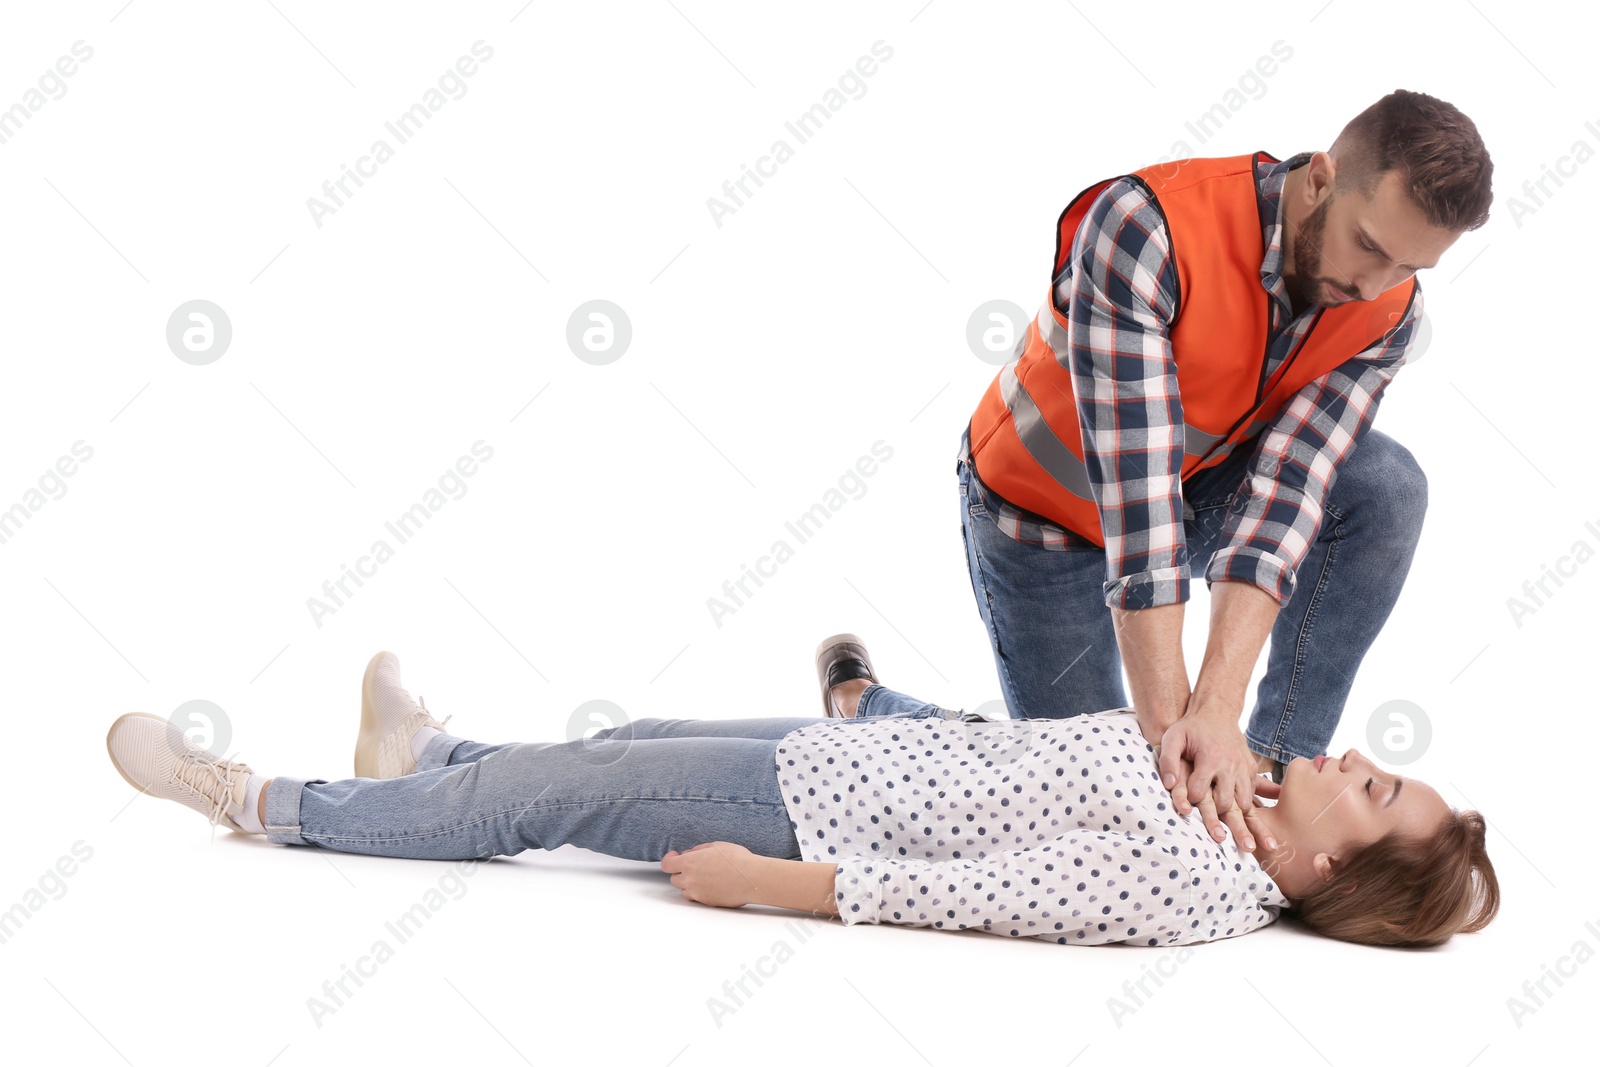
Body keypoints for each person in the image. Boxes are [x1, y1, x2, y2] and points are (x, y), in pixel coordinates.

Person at [105, 646, 1498, 948]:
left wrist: (775, 883)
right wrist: (875, 709)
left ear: (1328, 871)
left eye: (1375, 793)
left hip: (815, 821)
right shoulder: (1226, 775)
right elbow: (1027, 747)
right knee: (621, 735)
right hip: (844, 756)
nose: (1356, 761)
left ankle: (258, 797)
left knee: (543, 804)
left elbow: (986, 896)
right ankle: (424, 759)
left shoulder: (1198, 881)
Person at [954, 89, 1495, 855]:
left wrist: (1218, 716)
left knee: (1386, 487)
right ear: (1319, 180)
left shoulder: (1387, 310)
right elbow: (1140, 513)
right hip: (1040, 517)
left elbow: (1290, 490)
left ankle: (1274, 783)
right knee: (1072, 800)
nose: (1378, 285)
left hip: (1191, 490)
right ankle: (865, 705)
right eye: (1370, 246)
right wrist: (1187, 762)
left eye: (1410, 265)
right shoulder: (1147, 227)